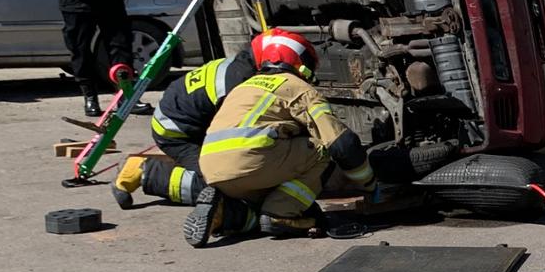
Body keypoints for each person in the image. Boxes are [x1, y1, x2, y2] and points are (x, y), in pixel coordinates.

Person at [184, 29, 377, 247]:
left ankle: (224, 211)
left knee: (260, 192)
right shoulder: (299, 88)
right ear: (301, 63)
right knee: (322, 149)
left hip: (212, 169)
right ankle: (281, 213)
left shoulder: (242, 87)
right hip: (254, 161)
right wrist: (368, 184)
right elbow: (341, 143)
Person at [110, 46, 256, 209]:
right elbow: (233, 132)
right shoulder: (239, 83)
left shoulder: (240, 66)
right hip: (176, 134)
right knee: (224, 182)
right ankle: (144, 171)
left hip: (190, 123)